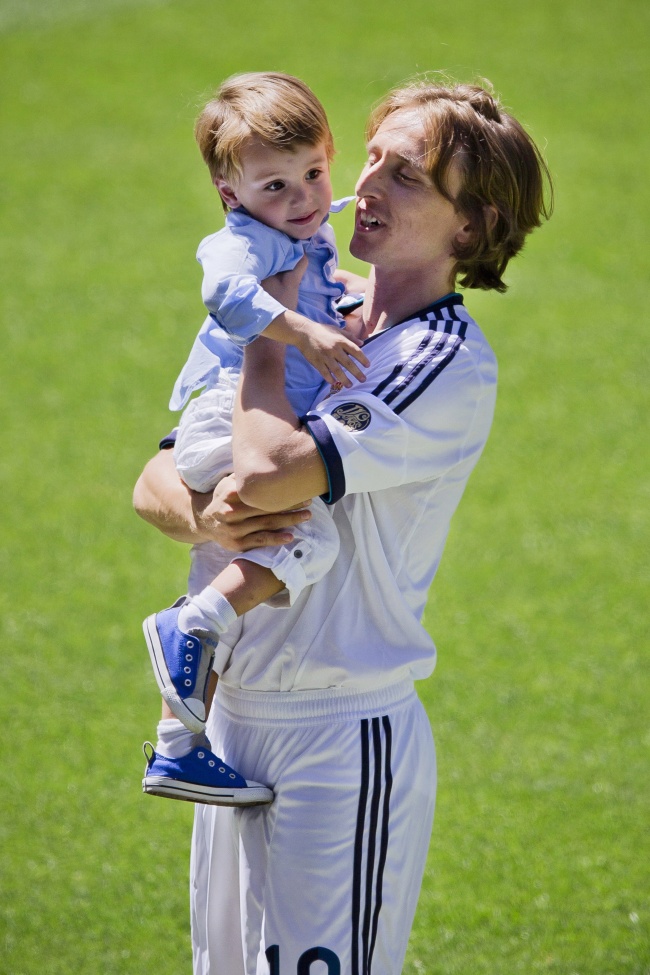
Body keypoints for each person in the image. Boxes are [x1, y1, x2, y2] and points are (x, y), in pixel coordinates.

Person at [134, 77, 552, 974]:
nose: (366, 184)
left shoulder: (437, 359)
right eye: (373, 158)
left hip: (338, 740)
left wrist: (262, 334)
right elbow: (153, 486)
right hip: (233, 723)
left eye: (406, 176)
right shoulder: (318, 301)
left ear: (469, 228)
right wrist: (213, 514)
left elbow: (264, 470)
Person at [141, 72, 369, 806]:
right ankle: (191, 623)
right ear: (229, 193)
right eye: (275, 186)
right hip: (225, 418)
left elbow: (328, 284)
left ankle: (176, 748)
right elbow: (225, 295)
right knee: (308, 538)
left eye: (312, 172)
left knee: (225, 562)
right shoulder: (241, 242)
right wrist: (304, 328)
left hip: (254, 418)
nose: (301, 197)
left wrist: (353, 306)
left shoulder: (306, 228)